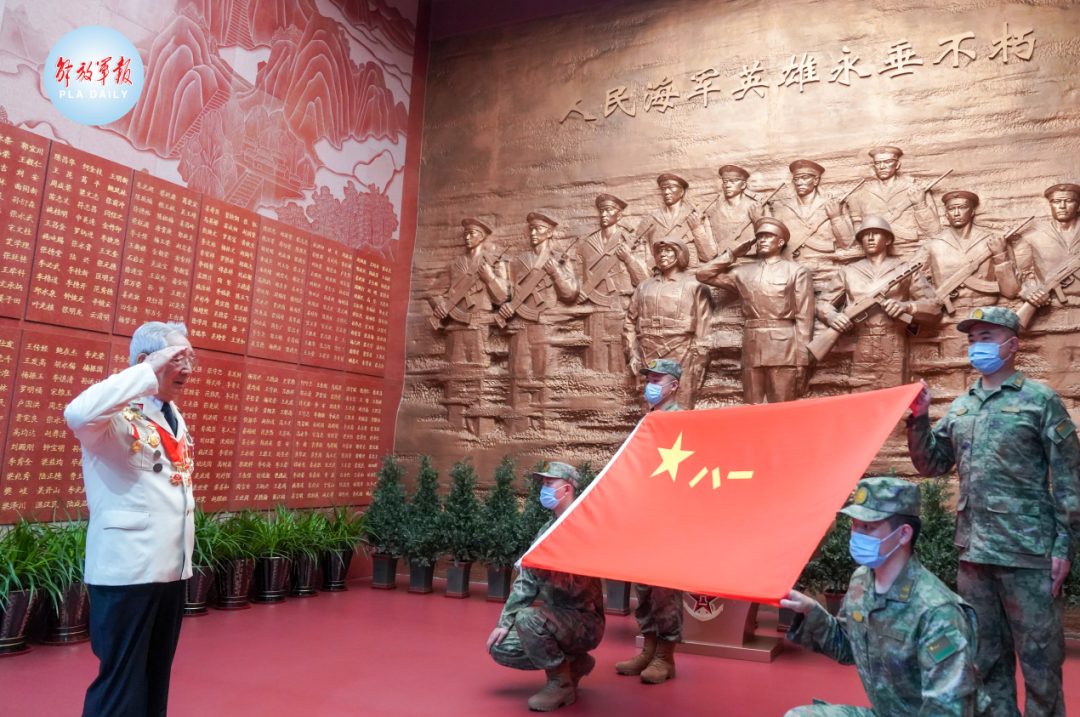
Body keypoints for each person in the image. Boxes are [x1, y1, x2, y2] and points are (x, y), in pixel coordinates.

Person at [907, 306, 1080, 717]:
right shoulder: (961, 407)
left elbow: (1069, 479)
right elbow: (932, 464)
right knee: (984, 661)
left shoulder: (1041, 401)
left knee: (1040, 663)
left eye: (986, 338)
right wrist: (919, 418)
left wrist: (1065, 547)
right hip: (975, 555)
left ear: (1012, 345)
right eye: (972, 340)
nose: (977, 347)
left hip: (1029, 555)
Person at [64, 321, 198, 717]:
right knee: (121, 685)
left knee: (155, 679)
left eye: (191, 358)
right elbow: (76, 413)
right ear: (145, 361)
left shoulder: (172, 415)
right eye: (178, 358)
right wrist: (144, 372)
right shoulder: (113, 417)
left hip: (171, 568)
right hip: (127, 571)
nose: (188, 368)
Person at [782, 477, 982, 717]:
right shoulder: (861, 581)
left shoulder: (937, 611)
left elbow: (948, 708)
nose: (856, 535)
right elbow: (848, 647)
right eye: (855, 525)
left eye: (868, 527)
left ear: (903, 534)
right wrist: (810, 609)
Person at [487, 462, 605, 712]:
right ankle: (575, 663)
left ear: (567, 489)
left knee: (528, 619)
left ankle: (560, 684)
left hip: (585, 621)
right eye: (543, 484)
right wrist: (503, 623)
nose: (544, 489)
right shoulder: (547, 531)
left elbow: (582, 579)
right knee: (502, 647)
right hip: (558, 619)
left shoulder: (586, 527)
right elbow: (526, 581)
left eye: (549, 483)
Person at [614, 358, 683, 683]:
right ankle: (649, 648)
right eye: (649, 379)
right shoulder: (648, 421)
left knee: (664, 589)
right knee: (643, 588)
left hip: (669, 520)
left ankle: (665, 657)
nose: (650, 385)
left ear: (674, 385)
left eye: (657, 379)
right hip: (643, 517)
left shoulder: (683, 422)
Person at [696, 217, 813, 404]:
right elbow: (703, 275)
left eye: (768, 236)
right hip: (752, 344)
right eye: (759, 237)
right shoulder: (742, 272)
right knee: (751, 405)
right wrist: (732, 254)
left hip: (784, 347)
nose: (762, 240)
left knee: (782, 405)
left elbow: (804, 318)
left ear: (780, 242)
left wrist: (803, 360)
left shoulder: (797, 271)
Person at [815, 216, 940, 388]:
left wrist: (908, 307)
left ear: (888, 239)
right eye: (865, 235)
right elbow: (823, 303)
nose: (870, 238)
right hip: (860, 343)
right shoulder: (848, 272)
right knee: (860, 396)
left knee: (896, 398)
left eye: (876, 233)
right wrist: (832, 317)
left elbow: (934, 308)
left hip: (894, 343)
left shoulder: (905, 270)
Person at [499, 213, 579, 433]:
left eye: (539, 229)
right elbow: (509, 292)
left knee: (544, 374)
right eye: (531, 229)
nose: (533, 233)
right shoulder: (518, 261)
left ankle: (545, 424)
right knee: (518, 372)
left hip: (544, 326)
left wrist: (556, 272)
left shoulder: (560, 258)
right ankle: (518, 426)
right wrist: (506, 306)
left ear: (550, 232)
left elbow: (570, 293)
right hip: (520, 325)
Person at [431, 217, 510, 433]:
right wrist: (441, 307)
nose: (467, 237)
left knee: (479, 373)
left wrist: (490, 278)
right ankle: (455, 423)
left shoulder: (494, 262)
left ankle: (481, 426)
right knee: (455, 373)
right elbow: (434, 291)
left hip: (480, 326)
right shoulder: (455, 264)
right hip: (456, 327)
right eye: (465, 233)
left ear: (482, 236)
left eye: (472, 233)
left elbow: (503, 297)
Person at [623, 236, 712, 407]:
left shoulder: (695, 286)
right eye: (659, 252)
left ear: (680, 254)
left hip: (681, 353)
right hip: (648, 354)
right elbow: (629, 324)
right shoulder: (644, 287)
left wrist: (700, 362)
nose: (663, 255)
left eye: (668, 251)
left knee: (681, 409)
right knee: (650, 411)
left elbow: (704, 328)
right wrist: (632, 355)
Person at [577, 194, 649, 374]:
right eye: (601, 210)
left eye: (609, 210)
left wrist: (629, 259)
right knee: (595, 359)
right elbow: (578, 277)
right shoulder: (587, 245)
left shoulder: (631, 242)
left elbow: (645, 281)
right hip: (595, 309)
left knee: (620, 356)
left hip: (622, 307)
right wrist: (579, 291)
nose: (603, 214)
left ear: (620, 215)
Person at [840, 146, 942, 254]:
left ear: (897, 165)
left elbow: (935, 232)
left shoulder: (916, 190)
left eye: (888, 162)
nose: (882, 167)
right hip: (874, 254)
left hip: (912, 250)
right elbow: (857, 230)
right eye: (878, 163)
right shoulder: (860, 195)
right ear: (874, 167)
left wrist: (920, 205)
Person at [635, 173, 717, 268]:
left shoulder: (696, 217)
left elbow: (709, 256)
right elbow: (640, 261)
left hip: (690, 273)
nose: (666, 192)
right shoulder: (649, 222)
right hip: (659, 275)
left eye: (671, 187)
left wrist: (697, 229)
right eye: (663, 188)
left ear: (681, 192)